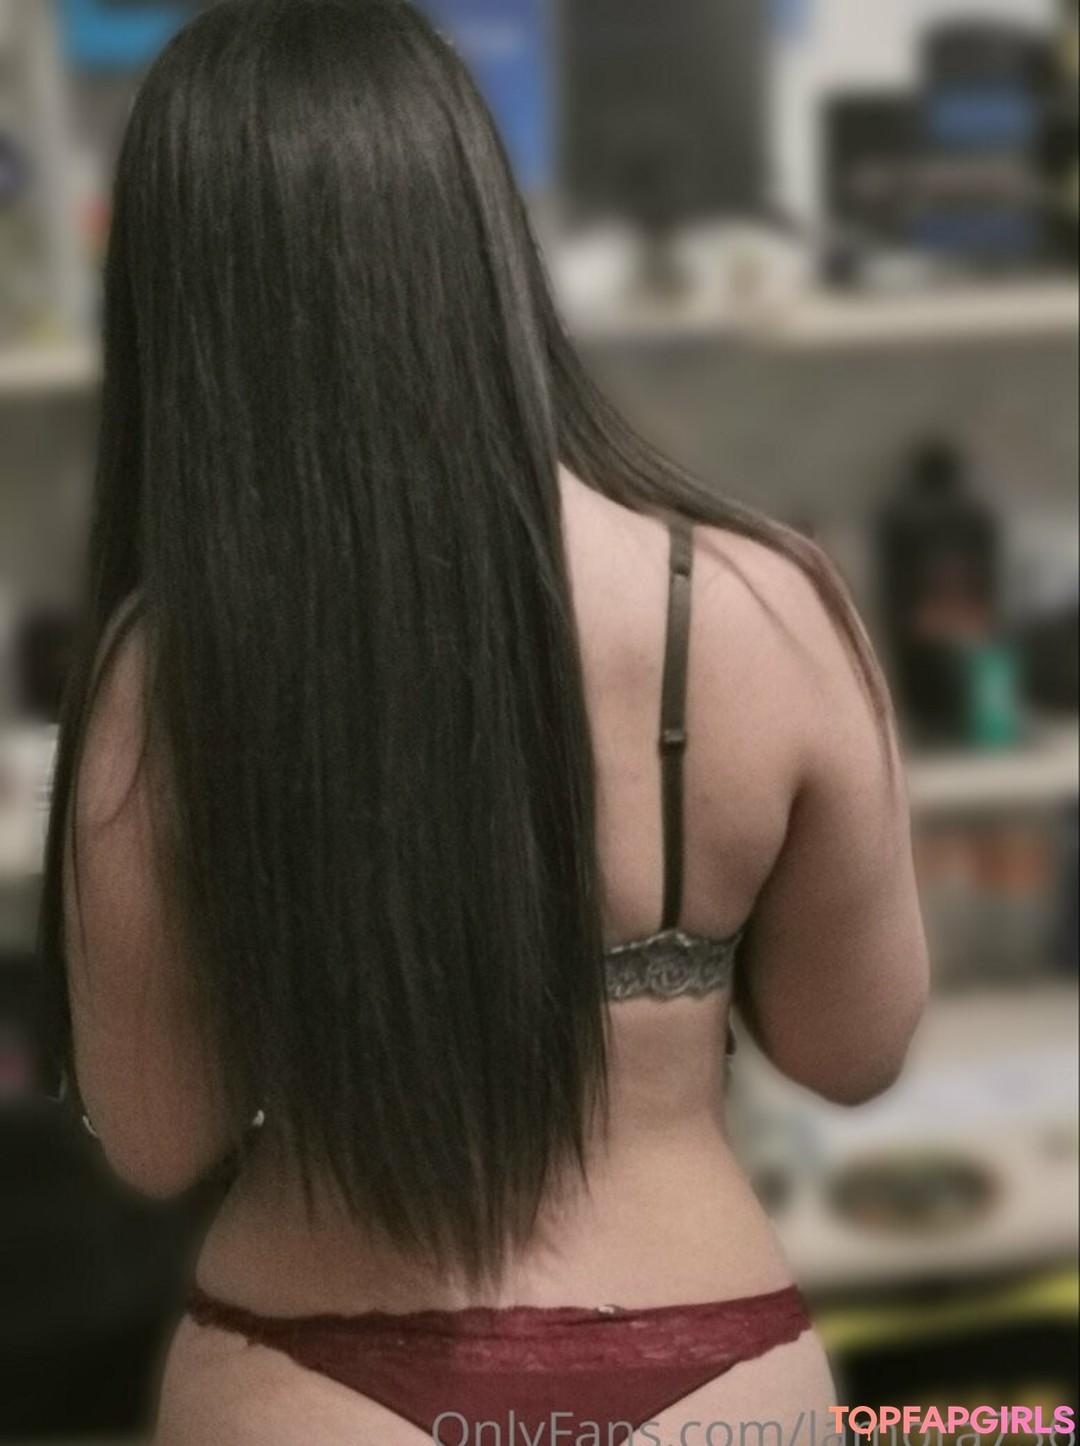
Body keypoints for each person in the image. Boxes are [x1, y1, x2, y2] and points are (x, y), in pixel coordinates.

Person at [39, 2, 930, 1442]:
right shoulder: (766, 607)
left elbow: (156, 1135)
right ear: (483, 236)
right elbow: (855, 1048)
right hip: (710, 1360)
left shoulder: (165, 666)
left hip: (309, 1369)